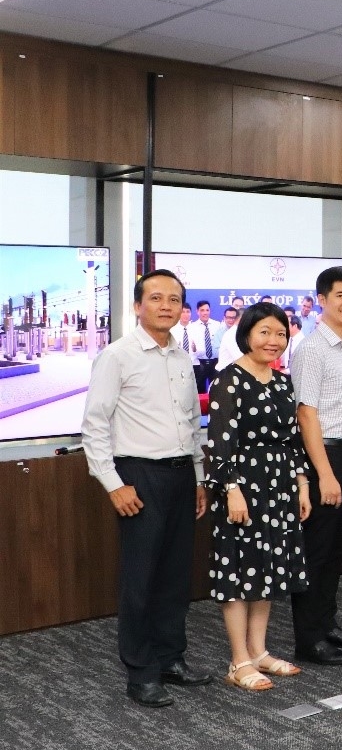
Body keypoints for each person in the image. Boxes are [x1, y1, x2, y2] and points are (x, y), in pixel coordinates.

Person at [81, 269, 211, 708]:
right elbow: (94, 425)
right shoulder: (117, 356)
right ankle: (141, 671)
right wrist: (113, 484)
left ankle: (171, 658)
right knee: (141, 578)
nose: (166, 306)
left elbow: (191, 423)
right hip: (138, 476)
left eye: (174, 299)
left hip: (180, 475)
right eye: (156, 298)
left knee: (175, 576)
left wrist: (198, 478)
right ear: (138, 306)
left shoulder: (182, 357)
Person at [206, 302, 312, 692]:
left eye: (280, 333)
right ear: (247, 334)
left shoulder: (283, 382)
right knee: (239, 570)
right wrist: (231, 489)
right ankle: (239, 661)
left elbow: (292, 439)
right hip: (242, 486)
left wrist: (302, 484)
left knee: (267, 568)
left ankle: (259, 650)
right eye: (264, 332)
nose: (273, 340)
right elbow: (219, 443)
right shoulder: (228, 380)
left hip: (279, 485)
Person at [289, 266, 342, 666]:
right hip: (326, 457)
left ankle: (327, 623)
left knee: (338, 550)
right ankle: (309, 639)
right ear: (321, 300)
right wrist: (324, 474)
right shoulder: (311, 349)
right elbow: (306, 414)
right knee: (317, 553)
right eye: (340, 295)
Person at [193, 299, 223, 392]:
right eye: (202, 310)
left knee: (216, 390)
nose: (205, 313)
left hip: (215, 362)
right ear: (197, 311)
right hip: (200, 362)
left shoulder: (218, 325)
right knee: (199, 390)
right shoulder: (192, 327)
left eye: (207, 310)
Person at [215, 306, 243, 372]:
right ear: (240, 318)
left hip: (232, 371)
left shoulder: (238, 332)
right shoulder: (231, 334)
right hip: (225, 373)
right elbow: (238, 356)